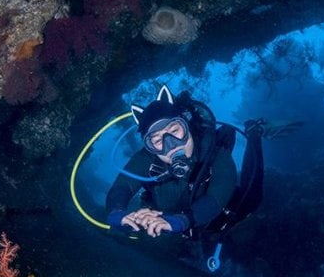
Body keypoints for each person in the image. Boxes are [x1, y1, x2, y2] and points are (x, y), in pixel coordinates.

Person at [105, 85, 263, 242]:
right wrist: (117, 212)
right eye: (158, 140)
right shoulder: (147, 158)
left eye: (174, 131)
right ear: (150, 147)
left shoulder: (214, 151)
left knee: (252, 197)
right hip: (180, 223)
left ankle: (254, 132)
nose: (171, 145)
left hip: (221, 218)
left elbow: (216, 198)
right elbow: (122, 186)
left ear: (187, 126)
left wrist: (182, 220)